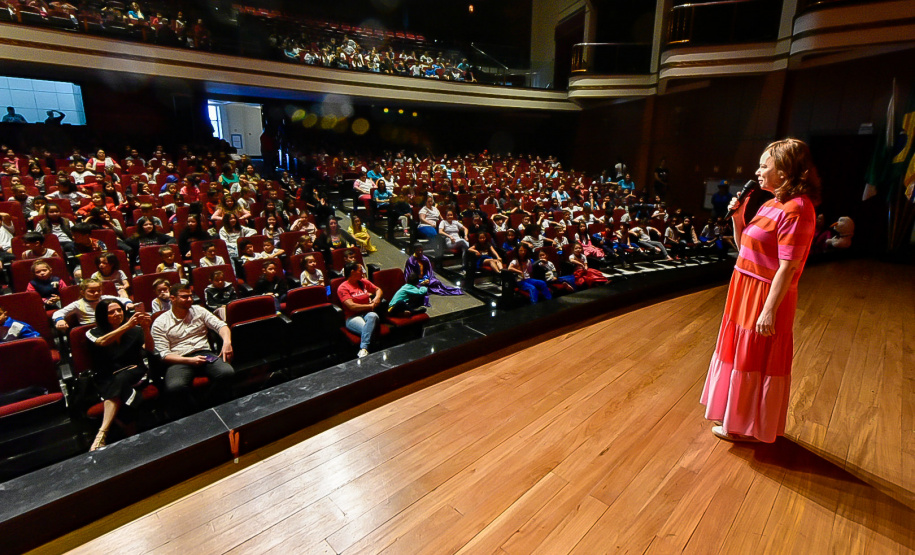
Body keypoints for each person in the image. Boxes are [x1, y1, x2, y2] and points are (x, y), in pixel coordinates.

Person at [701, 138, 820, 443]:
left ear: (784, 171)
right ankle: (735, 415)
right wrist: (739, 218)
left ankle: (746, 426)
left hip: (765, 294)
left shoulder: (798, 209)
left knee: (753, 357)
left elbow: (788, 267)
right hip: (744, 287)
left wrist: (768, 310)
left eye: (764, 165)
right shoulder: (771, 203)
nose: (757, 172)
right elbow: (746, 248)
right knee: (740, 353)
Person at [151, 283, 234, 415]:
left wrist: (227, 342)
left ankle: (208, 407)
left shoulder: (199, 310)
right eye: (184, 297)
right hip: (179, 359)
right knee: (175, 387)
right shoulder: (160, 322)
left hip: (204, 353)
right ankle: (197, 413)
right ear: (172, 298)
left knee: (227, 373)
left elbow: (221, 326)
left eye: (190, 296)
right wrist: (190, 361)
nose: (190, 299)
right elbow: (164, 355)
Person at [86, 299, 154, 451]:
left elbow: (149, 348)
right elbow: (103, 342)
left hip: (134, 372)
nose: (117, 314)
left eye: (119, 310)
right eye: (111, 312)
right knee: (120, 386)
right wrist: (128, 325)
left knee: (121, 379)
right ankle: (135, 442)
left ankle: (102, 433)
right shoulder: (92, 333)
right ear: (102, 316)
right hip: (107, 377)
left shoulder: (135, 331)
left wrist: (146, 329)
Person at [337, 262, 383, 358]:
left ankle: (364, 349)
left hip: (366, 313)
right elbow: (352, 306)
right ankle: (367, 350)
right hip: (352, 316)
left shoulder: (362, 282)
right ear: (352, 272)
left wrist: (377, 298)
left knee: (373, 316)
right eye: (360, 270)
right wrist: (370, 306)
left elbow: (378, 289)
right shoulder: (343, 287)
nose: (363, 272)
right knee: (368, 330)